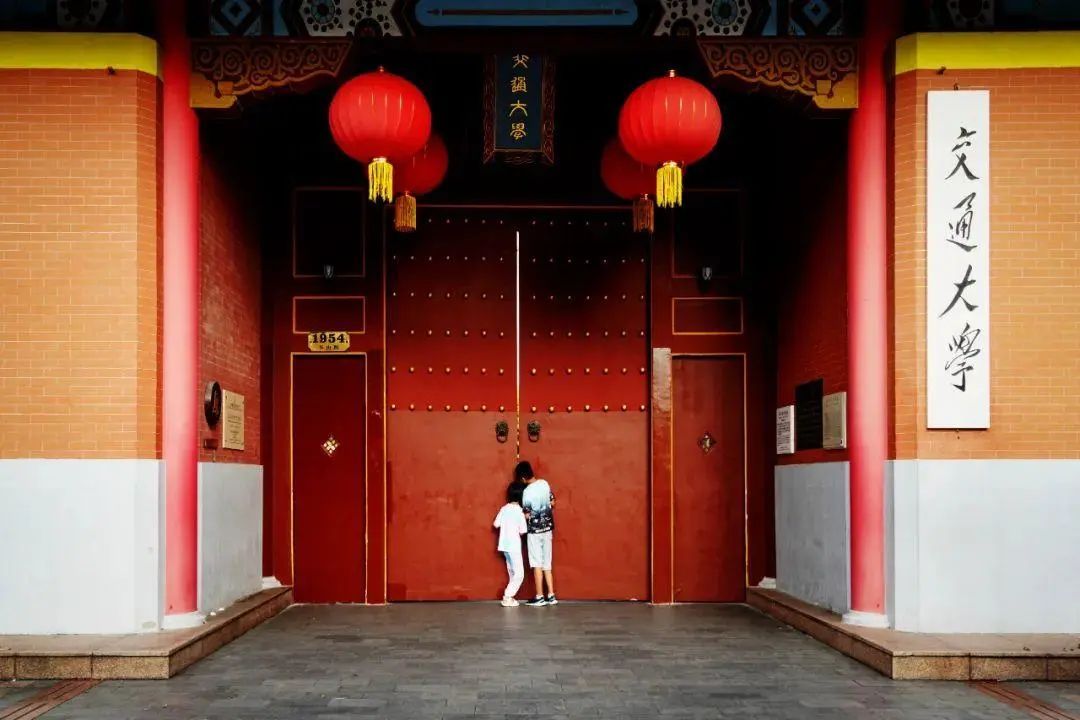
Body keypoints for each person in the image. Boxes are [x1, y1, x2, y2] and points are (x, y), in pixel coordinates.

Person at [517, 460, 557, 606]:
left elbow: (527, 514)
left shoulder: (527, 492)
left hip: (534, 531)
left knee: (536, 563)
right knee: (547, 562)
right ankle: (551, 595)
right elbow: (552, 502)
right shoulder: (544, 484)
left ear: (522, 478)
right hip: (548, 529)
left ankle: (539, 596)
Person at [493, 480, 528, 607]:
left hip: (504, 545)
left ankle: (509, 597)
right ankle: (508, 596)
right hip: (514, 546)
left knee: (512, 572)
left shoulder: (504, 508)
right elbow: (523, 531)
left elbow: (496, 524)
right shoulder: (520, 511)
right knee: (519, 574)